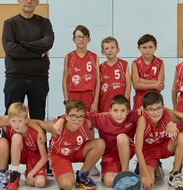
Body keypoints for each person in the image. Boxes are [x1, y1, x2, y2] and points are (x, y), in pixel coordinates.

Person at [54, 95, 178, 187]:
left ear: (128, 111)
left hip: (127, 150)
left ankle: (125, 173)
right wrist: (61, 119)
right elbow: (81, 114)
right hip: (110, 156)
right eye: (115, 111)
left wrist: (169, 122)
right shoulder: (102, 119)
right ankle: (117, 171)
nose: (119, 114)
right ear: (110, 110)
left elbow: (159, 109)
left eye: (123, 111)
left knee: (122, 137)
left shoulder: (133, 116)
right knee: (109, 182)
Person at [2, 0, 54, 175]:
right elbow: (10, 49)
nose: (29, 1)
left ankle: (42, 163)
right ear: (19, 1)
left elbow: (47, 43)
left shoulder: (44, 22)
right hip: (15, 77)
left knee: (38, 119)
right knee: (11, 120)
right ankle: (7, 163)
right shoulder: (10, 23)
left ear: (38, 2)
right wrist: (35, 51)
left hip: (39, 78)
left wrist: (23, 44)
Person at [34, 99, 105, 190]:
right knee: (67, 185)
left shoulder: (86, 124)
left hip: (77, 151)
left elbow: (102, 116)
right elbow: (35, 122)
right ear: (66, 116)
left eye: (80, 117)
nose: (77, 120)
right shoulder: (55, 126)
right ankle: (65, 171)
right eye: (73, 116)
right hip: (59, 156)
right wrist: (40, 131)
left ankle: (82, 176)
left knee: (100, 143)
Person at [62, 25, 100, 174]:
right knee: (71, 126)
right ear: (73, 39)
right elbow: (65, 78)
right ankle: (67, 159)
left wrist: (96, 101)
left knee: (89, 127)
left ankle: (90, 163)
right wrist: (66, 100)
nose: (81, 39)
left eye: (84, 37)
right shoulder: (69, 56)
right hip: (73, 95)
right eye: (78, 37)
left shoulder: (94, 56)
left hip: (88, 94)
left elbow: (98, 81)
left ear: (89, 39)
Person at [135, 91, 183, 190]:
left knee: (182, 137)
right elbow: (138, 148)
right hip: (149, 153)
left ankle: (175, 175)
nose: (155, 113)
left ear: (163, 107)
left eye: (158, 108)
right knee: (148, 184)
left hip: (163, 147)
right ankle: (155, 167)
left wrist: (170, 119)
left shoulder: (166, 116)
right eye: (151, 109)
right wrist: (146, 176)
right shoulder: (142, 120)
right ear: (145, 110)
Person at [5, 102, 47, 189]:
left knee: (40, 183)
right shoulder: (9, 128)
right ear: (9, 120)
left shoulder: (37, 133)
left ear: (26, 120)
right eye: (13, 121)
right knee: (16, 137)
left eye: (20, 121)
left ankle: (29, 171)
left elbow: (44, 158)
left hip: (35, 159)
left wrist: (31, 174)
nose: (16, 124)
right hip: (21, 155)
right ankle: (15, 174)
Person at [131, 34, 165, 110]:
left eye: (150, 47)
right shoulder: (135, 63)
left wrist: (141, 81)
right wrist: (154, 85)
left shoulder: (160, 63)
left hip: (155, 98)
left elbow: (160, 85)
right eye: (144, 47)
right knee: (139, 120)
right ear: (139, 48)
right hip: (140, 98)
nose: (147, 50)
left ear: (155, 48)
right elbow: (136, 85)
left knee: (155, 120)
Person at [98, 36, 131, 112]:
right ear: (102, 52)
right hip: (105, 104)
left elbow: (128, 84)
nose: (110, 50)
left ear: (118, 50)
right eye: (107, 48)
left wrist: (125, 102)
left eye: (112, 47)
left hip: (121, 104)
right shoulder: (100, 67)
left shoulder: (124, 64)